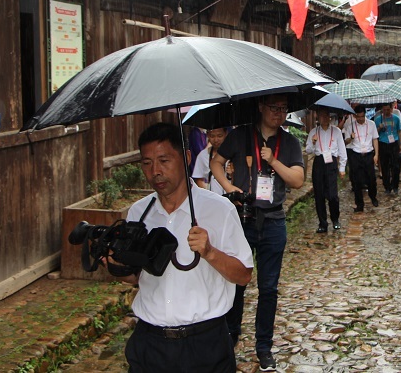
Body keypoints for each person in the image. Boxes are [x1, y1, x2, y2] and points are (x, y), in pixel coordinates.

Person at [121, 123, 253, 373]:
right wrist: (116, 265)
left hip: (205, 344)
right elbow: (134, 276)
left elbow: (243, 274)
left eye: (164, 160)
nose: (155, 172)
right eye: (147, 163)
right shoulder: (139, 213)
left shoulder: (219, 210)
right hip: (149, 343)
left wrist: (210, 252)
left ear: (187, 157)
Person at [210, 94, 304, 372]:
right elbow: (217, 163)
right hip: (242, 218)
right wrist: (230, 188)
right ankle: (231, 337)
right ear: (261, 107)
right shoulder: (240, 136)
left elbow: (298, 180)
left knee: (269, 288)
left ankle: (264, 347)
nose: (279, 113)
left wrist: (273, 161)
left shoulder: (289, 142)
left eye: (283, 108)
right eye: (274, 108)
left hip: (274, 221)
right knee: (235, 281)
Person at [305, 107, 347, 232]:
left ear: (330, 116)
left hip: (331, 162)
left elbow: (342, 150)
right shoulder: (313, 131)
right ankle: (322, 223)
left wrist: (342, 167)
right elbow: (308, 150)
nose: (324, 118)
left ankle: (335, 219)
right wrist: (313, 142)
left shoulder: (336, 131)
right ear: (318, 116)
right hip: (319, 162)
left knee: (333, 195)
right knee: (319, 194)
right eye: (321, 115)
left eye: (326, 115)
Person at [343, 104, 379, 211]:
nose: (360, 119)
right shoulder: (350, 126)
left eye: (362, 116)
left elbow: (375, 139)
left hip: (368, 154)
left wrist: (376, 154)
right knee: (357, 181)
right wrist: (351, 138)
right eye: (358, 117)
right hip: (356, 154)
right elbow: (346, 142)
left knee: (371, 178)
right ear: (355, 116)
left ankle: (373, 197)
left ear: (365, 115)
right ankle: (359, 204)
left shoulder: (371, 124)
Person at [374, 103, 401, 196]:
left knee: (396, 166)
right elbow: (374, 133)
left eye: (388, 109)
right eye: (384, 110)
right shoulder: (378, 119)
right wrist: (379, 128)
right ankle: (387, 186)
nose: (386, 111)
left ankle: (395, 185)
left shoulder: (396, 118)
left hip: (394, 142)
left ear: (391, 109)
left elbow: (399, 131)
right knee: (385, 166)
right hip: (383, 143)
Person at [191, 127, 229, 195]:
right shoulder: (202, 155)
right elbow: (199, 179)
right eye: (212, 136)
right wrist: (207, 195)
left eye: (219, 136)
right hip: (213, 197)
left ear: (226, 134)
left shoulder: (234, 154)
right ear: (208, 135)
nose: (216, 139)